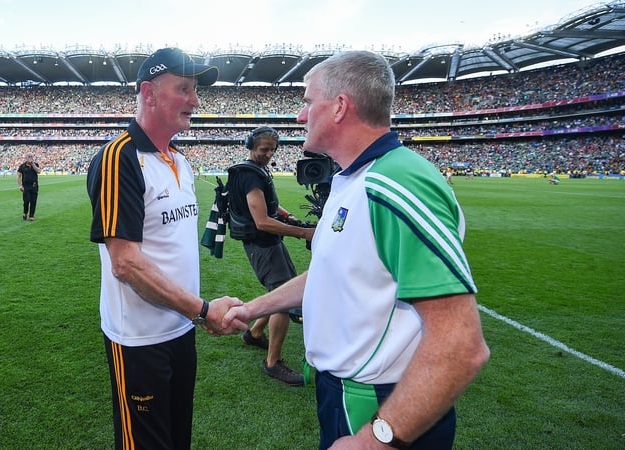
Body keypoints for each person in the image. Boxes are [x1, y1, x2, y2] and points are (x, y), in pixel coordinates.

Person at [222, 51, 489, 449]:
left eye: (308, 102)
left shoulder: (396, 183)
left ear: (340, 107)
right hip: (348, 389)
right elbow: (335, 271)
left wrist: (374, 440)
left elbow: (461, 345)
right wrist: (254, 308)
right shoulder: (355, 177)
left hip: (378, 398)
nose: (300, 116)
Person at [86, 47, 244, 450]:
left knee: (177, 439)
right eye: (185, 89)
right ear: (150, 94)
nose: (195, 100)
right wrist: (203, 310)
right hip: (139, 340)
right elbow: (126, 264)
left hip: (179, 329)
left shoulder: (180, 161)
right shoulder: (119, 158)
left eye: (195, 90)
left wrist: (193, 314)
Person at [227, 126, 315, 386]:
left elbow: (270, 205)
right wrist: (303, 233)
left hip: (268, 242)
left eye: (272, 149)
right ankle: (272, 362)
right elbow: (263, 221)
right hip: (262, 242)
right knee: (285, 299)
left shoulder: (256, 171)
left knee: (282, 289)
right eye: (264, 149)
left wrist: (288, 217)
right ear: (251, 145)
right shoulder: (250, 175)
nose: (268, 154)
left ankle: (255, 333)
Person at [17, 153, 42, 221]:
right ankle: (25, 212)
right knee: (26, 200)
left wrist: (33, 164)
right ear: (26, 157)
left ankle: (31, 215)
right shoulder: (22, 166)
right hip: (25, 186)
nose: (30, 157)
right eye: (29, 156)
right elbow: (18, 176)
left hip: (34, 186)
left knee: (33, 201)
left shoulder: (36, 164)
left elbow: (39, 171)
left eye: (31, 156)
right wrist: (20, 186)